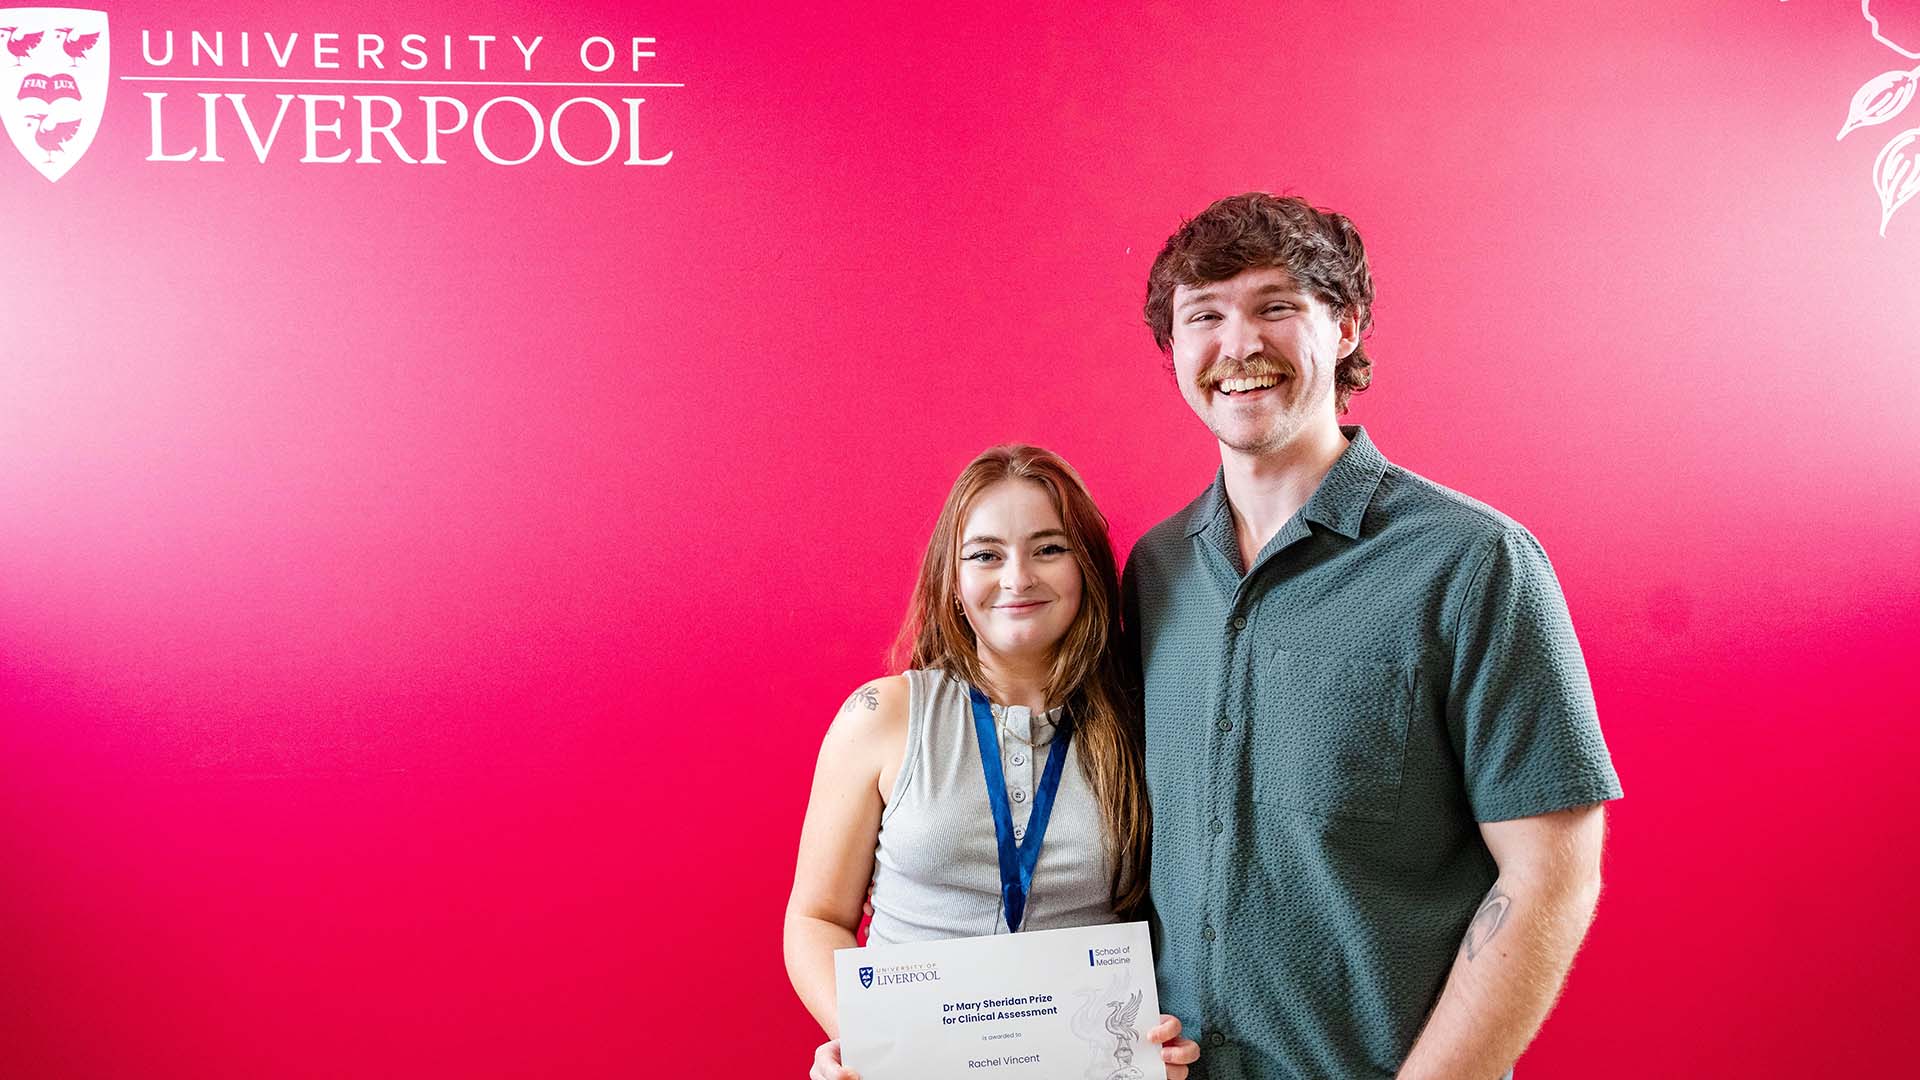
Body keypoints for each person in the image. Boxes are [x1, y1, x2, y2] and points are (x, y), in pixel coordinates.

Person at [1123, 193, 1623, 1079]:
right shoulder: (1154, 571)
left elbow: (1550, 877)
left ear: (1346, 327)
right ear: (1174, 349)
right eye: (1204, 315)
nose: (1238, 346)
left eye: (1276, 306)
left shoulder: (1475, 563)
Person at [785, 445, 1202, 1080]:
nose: (1017, 578)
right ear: (951, 580)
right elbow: (815, 918)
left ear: (1086, 566)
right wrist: (870, 1038)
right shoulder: (881, 715)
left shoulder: (1139, 722)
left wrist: (1157, 1044)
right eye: (985, 554)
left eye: (1048, 549)